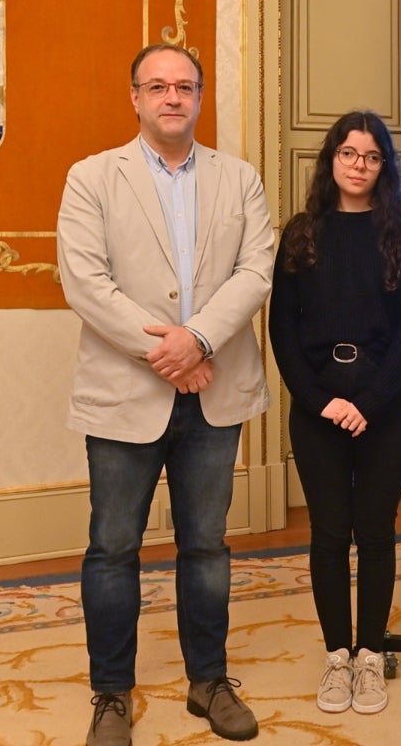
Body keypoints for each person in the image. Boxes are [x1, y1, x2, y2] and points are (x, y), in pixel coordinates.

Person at [56, 43, 274, 745]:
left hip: (215, 392)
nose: (172, 97)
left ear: (200, 97)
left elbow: (255, 270)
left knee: (206, 546)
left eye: (184, 86)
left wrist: (198, 341)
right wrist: (170, 354)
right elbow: (85, 283)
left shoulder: (239, 179)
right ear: (136, 98)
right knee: (113, 548)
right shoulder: (91, 178)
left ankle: (208, 681)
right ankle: (112, 696)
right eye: (158, 86)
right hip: (125, 394)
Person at [268, 110, 401, 715]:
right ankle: (337, 656)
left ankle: (370, 657)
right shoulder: (301, 232)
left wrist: (366, 402)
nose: (359, 165)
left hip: (386, 408)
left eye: (371, 156)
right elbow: (281, 332)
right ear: (331, 160)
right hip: (317, 409)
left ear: (383, 167)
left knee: (377, 531)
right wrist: (324, 401)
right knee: (330, 534)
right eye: (348, 153)